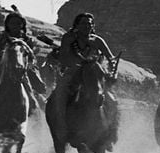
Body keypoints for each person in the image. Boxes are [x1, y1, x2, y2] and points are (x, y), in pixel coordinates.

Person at [51, 12, 119, 146]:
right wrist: (77, 64)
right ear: (76, 25)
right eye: (83, 23)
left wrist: (112, 70)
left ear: (93, 26)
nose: (86, 26)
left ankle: (110, 133)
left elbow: (111, 58)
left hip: (94, 75)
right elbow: (63, 57)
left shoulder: (97, 40)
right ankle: (61, 129)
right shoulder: (68, 38)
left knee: (111, 100)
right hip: (73, 74)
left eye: (89, 24)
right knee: (59, 96)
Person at [0, 10, 47, 109]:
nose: (15, 25)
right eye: (12, 23)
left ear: (22, 25)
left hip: (23, 68)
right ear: (7, 24)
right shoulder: (0, 36)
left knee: (37, 87)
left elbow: (32, 58)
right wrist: (0, 54)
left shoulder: (27, 39)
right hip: (1, 66)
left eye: (18, 23)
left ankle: (38, 112)